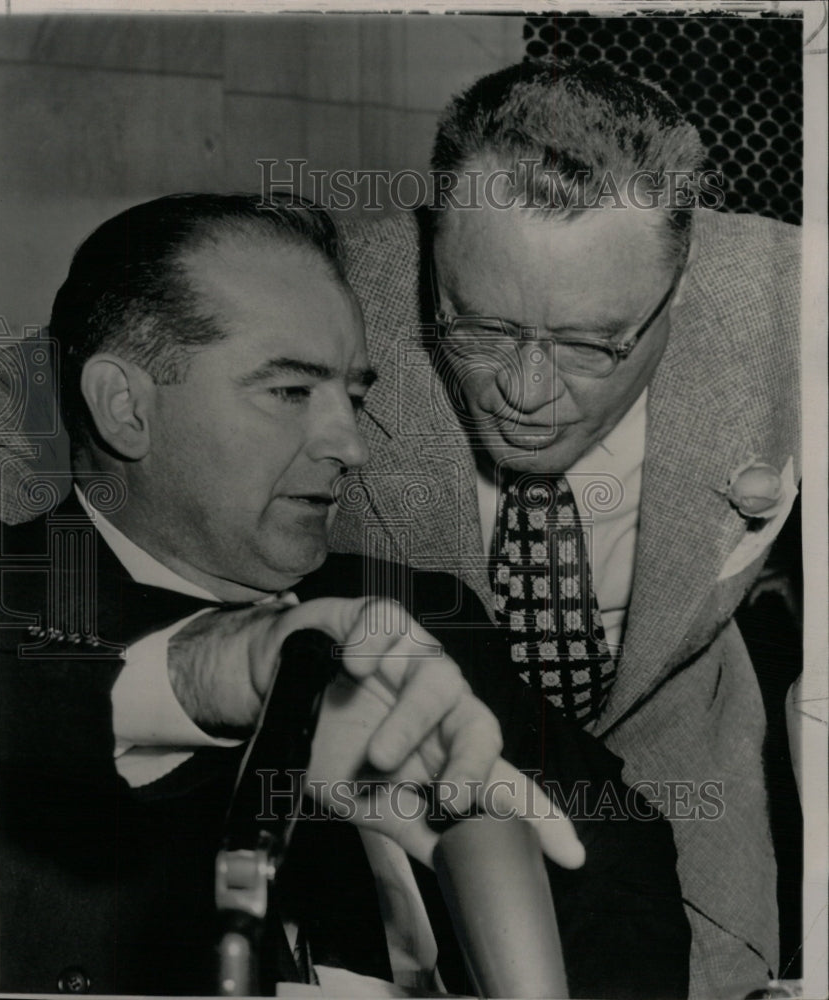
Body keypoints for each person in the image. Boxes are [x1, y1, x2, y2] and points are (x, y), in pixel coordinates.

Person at [0, 193, 691, 997]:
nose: (350, 445)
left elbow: (616, 849)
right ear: (125, 406)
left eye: (353, 396)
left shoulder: (423, 618)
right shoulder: (6, 609)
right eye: (290, 392)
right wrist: (206, 672)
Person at [326, 59, 801, 998]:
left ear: (682, 282)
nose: (527, 395)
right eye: (479, 330)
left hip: (682, 798)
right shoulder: (323, 290)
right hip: (387, 803)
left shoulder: (791, 305)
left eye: (590, 345)